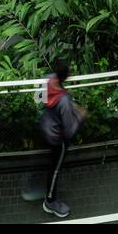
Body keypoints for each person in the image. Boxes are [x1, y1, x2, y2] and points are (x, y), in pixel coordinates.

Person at [39, 59, 85, 219]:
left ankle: (46, 190)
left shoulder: (48, 79)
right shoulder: (64, 101)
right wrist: (80, 115)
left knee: (51, 164)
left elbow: (38, 98)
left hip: (45, 128)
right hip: (57, 139)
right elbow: (69, 130)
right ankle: (50, 202)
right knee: (55, 169)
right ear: (66, 76)